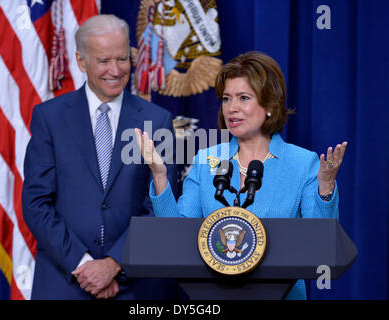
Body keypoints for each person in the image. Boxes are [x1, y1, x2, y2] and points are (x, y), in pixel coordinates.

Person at [136, 51, 347, 300]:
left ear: (269, 105)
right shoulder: (206, 160)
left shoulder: (302, 163)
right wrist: (159, 176)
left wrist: (326, 186)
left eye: (243, 98)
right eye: (226, 99)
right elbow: (176, 238)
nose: (232, 109)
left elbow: (320, 243)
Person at [22, 14, 178, 299]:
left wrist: (115, 264)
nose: (116, 70)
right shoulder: (49, 118)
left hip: (135, 286)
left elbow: (160, 205)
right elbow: (36, 203)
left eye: (122, 59)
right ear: (81, 61)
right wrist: (84, 266)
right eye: (104, 61)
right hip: (65, 282)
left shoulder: (158, 121)